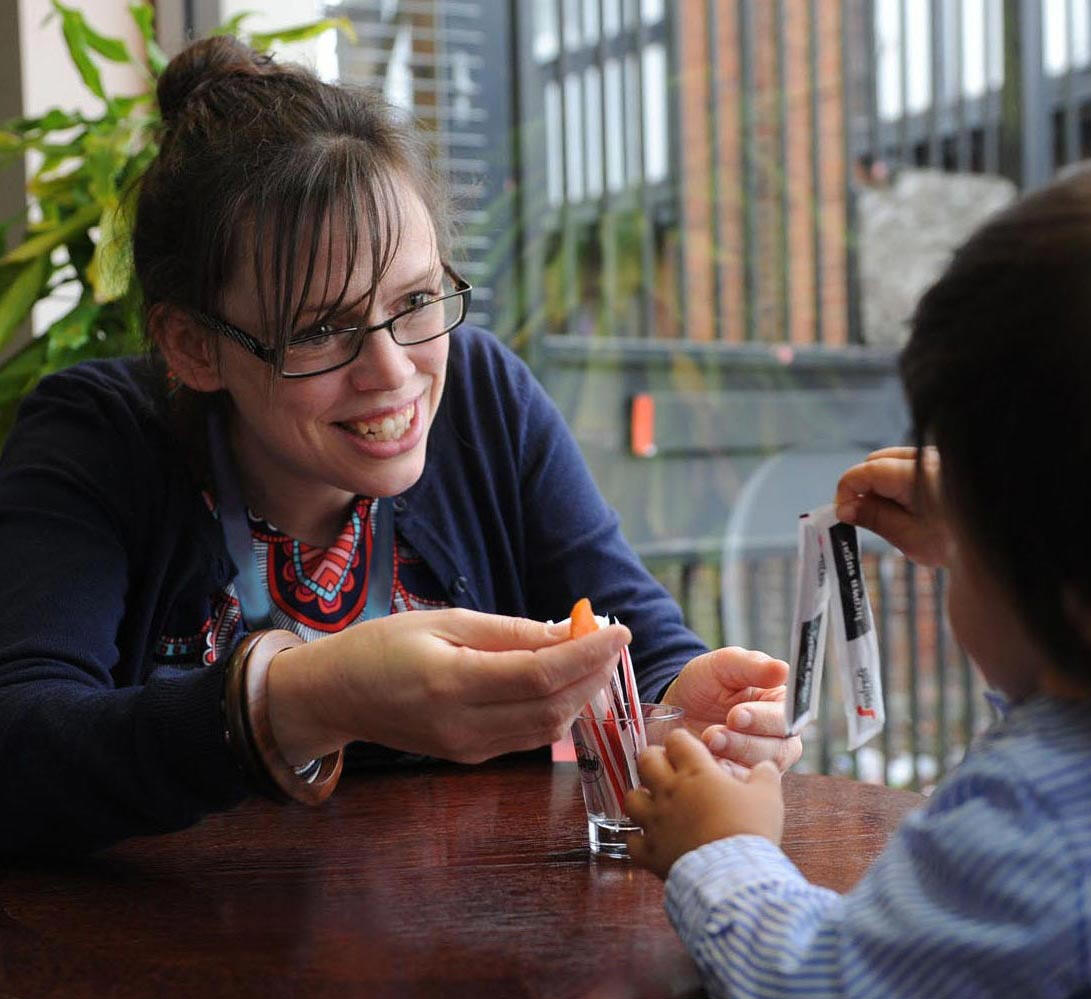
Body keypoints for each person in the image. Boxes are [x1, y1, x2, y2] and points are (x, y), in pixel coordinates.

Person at [0, 36, 800, 857]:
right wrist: (302, 699)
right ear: (193, 346)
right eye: (319, 327)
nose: (394, 370)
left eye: (416, 300)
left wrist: (690, 710)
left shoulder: (485, 397)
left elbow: (636, 638)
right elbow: (19, 742)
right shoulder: (100, 437)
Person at [622, 140, 1091, 996]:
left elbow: (821, 978)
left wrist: (721, 850)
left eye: (978, 543)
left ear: (1074, 606)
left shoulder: (1030, 827)